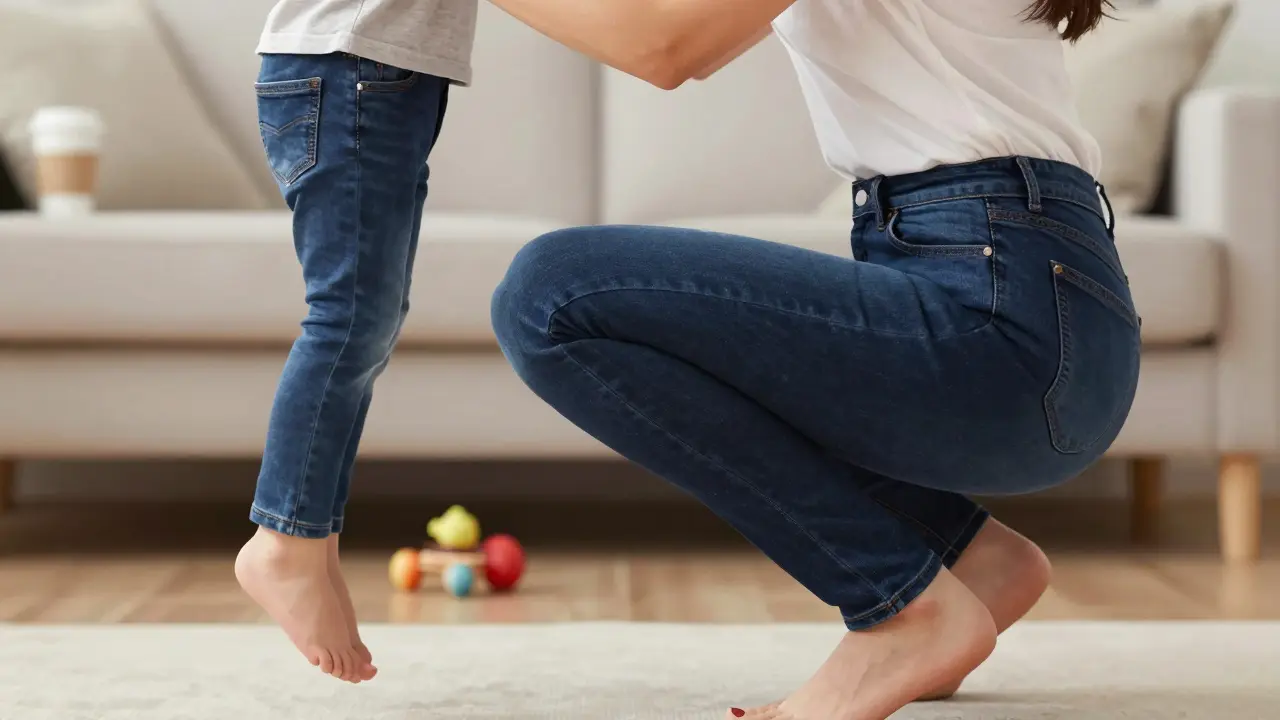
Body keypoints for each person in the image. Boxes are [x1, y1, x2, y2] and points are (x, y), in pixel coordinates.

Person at [489, 0, 1138, 717]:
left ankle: (900, 605)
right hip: (1053, 315)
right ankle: (966, 557)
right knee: (642, 317)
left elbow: (666, 48)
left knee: (550, 294)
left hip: (999, 319)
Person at [233, 0, 475, 684]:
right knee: (346, 316)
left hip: (375, 69)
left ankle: (312, 540)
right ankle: (283, 540)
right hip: (350, 69)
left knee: (368, 315)